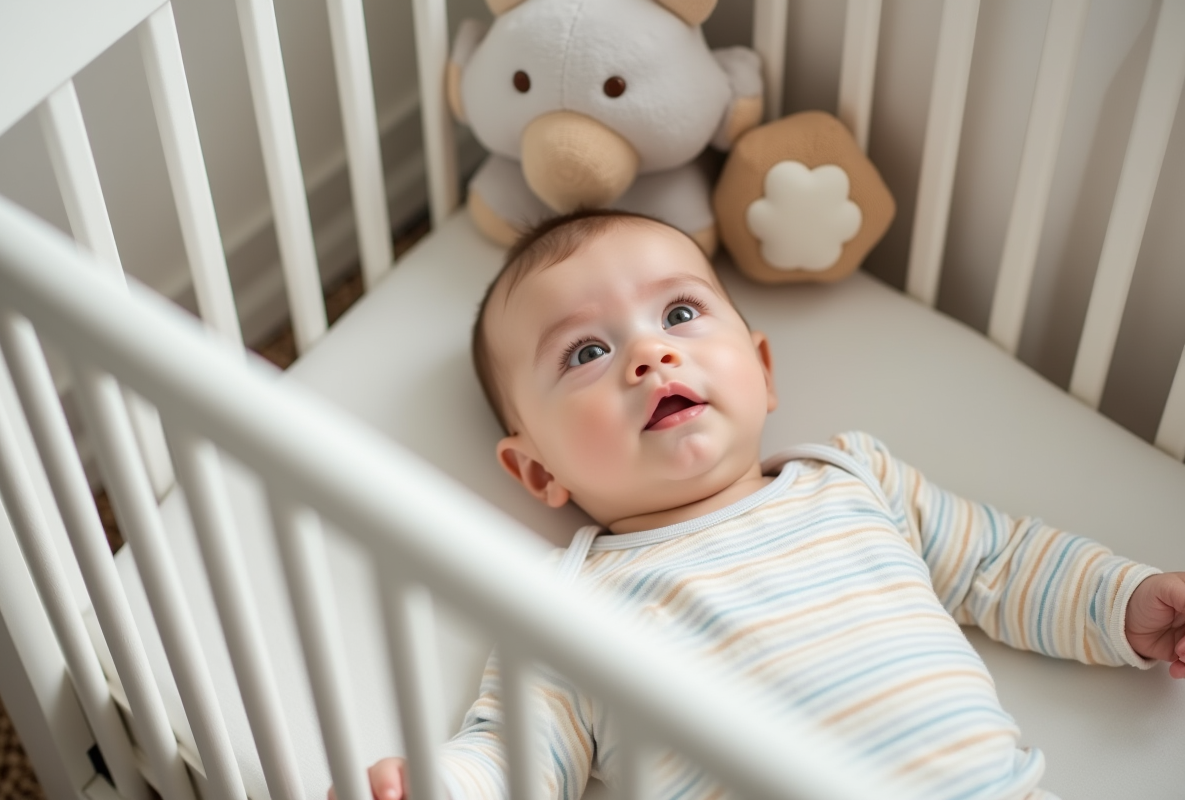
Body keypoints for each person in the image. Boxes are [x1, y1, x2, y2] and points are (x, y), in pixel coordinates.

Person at [345, 209, 1185, 800]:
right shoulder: (569, 606)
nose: (650, 352)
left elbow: (1002, 563)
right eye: (587, 352)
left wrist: (1124, 600)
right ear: (536, 473)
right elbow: (521, 745)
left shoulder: (854, 478)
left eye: (679, 311)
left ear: (763, 370)